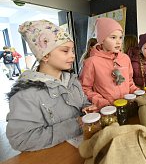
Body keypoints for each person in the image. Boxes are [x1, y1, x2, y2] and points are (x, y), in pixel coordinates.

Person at [6, 20, 91, 151]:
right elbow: (21, 139)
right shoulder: (26, 94)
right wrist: (75, 125)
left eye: (73, 50)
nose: (73, 55)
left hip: (81, 147)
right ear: (45, 55)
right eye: (65, 51)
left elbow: (83, 102)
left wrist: (88, 108)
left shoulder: (72, 80)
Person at [80, 17, 139, 111]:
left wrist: (138, 92)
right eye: (113, 37)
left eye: (120, 37)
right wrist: (102, 103)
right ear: (102, 40)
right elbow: (85, 88)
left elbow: (130, 83)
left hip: (127, 106)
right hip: (107, 111)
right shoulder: (91, 62)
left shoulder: (125, 58)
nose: (118, 41)